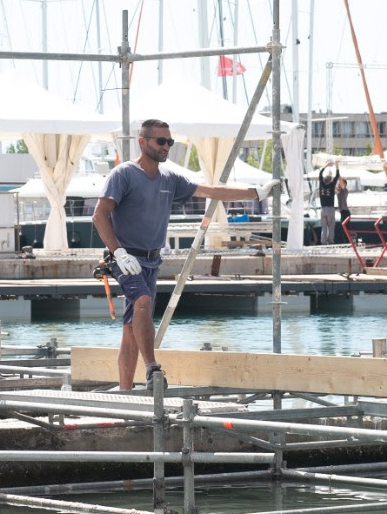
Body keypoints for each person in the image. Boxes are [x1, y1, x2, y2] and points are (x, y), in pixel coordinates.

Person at [92, 119, 277, 389]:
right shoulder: (124, 175)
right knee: (142, 301)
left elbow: (211, 191)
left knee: (131, 328)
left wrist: (256, 192)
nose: (166, 146)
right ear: (143, 142)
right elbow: (99, 215)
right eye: (161, 141)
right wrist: (118, 253)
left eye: (170, 142)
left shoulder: (170, 179)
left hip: (151, 259)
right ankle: (153, 368)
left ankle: (125, 390)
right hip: (125, 258)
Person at [317, 164, 339, 245]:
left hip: (322, 209)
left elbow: (320, 174)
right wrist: (337, 166)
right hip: (330, 209)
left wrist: (326, 165)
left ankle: (323, 242)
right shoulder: (332, 186)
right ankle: (331, 241)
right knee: (331, 227)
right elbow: (337, 176)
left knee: (324, 227)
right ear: (330, 181)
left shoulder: (321, 184)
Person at [334, 172, 350, 241]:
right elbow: (332, 186)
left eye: (340, 183)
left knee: (345, 227)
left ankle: (348, 241)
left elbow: (340, 180)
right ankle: (347, 241)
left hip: (345, 212)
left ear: (344, 184)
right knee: (343, 228)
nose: (339, 183)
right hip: (342, 212)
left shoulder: (345, 190)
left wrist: (338, 171)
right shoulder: (339, 190)